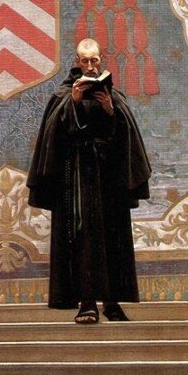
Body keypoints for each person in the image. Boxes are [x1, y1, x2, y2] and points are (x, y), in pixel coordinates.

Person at [26, 38, 153, 324]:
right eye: (85, 61)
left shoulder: (112, 95)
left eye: (94, 60)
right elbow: (54, 136)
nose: (90, 65)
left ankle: (111, 303)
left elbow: (124, 137)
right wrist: (73, 102)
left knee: (112, 236)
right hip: (76, 180)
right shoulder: (63, 94)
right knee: (82, 237)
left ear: (100, 59)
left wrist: (110, 110)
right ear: (77, 61)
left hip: (108, 178)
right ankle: (86, 303)